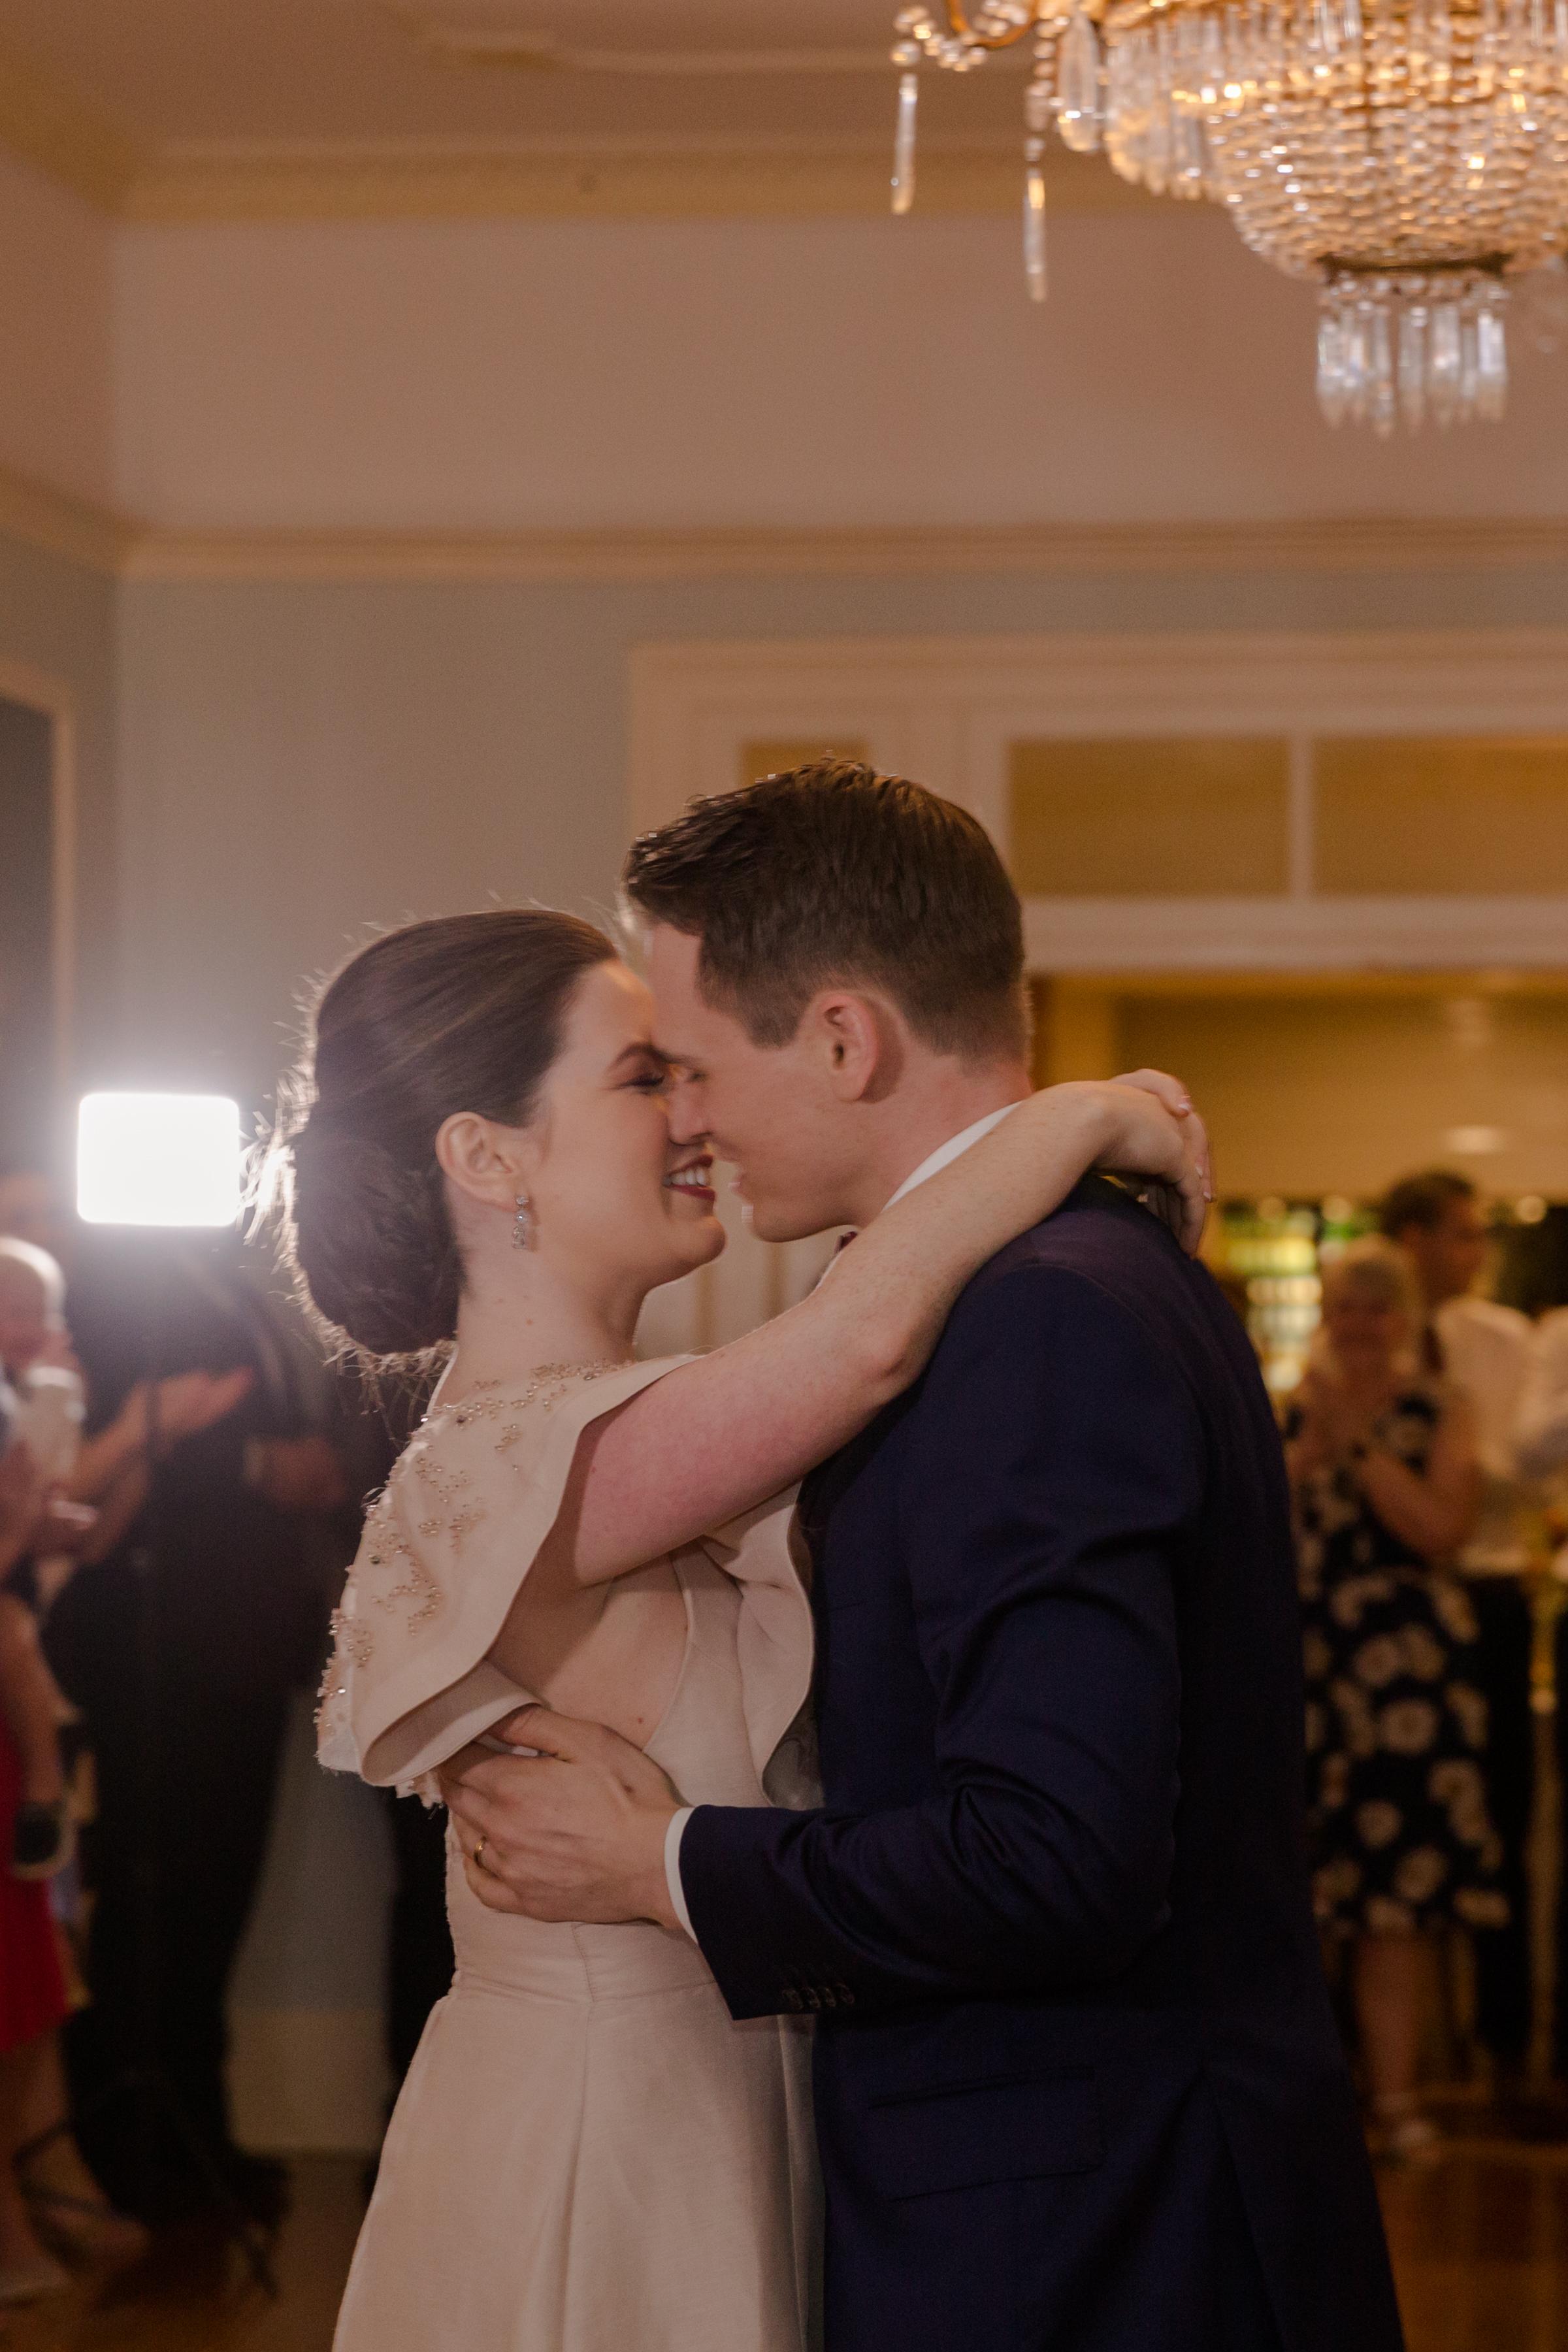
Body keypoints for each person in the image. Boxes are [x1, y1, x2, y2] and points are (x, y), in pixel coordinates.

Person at [440, 763, 1403, 2352]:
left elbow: (1053, 1856)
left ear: (844, 1040)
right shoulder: (1053, 1277)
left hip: (1086, 2235)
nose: (687, 1118)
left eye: (694, 1067)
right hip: (1054, 2194)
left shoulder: (1039, 1316)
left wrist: (662, 1861)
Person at [286, 898, 1210, 2352]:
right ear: (488, 1156)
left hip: (726, 2111)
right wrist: (1082, 1114)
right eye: (641, 1077)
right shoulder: (510, 1458)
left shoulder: (639, 1426)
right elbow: (865, 1340)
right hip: (604, 2150)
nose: (693, 1113)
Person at [44, 1234, 349, 2225]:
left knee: (216, 1891)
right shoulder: (109, 1280)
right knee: (160, 1890)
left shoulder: (234, 1280)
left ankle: (194, 2130)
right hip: (162, 1648)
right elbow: (114, 1454)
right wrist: (258, 1462)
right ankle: (139, 2140)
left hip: (242, 1649)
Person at [1286, 1238, 1503, 2161]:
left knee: (1398, 1900)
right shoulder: (1293, 1409)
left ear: (1404, 1318)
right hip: (1309, 1669)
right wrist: (1310, 1445)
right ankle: (1308, 2099)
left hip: (1409, 1678)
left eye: (1377, 1308)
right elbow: (1246, 1534)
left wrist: (1360, 1445)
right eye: (1346, 1306)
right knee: (1300, 1891)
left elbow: (1442, 1529)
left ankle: (1399, 2097)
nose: (1360, 1325)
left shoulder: (1441, 1407)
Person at [1380, 1169, 1537, 2070]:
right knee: (1402, 1819)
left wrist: (1458, 1468)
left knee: (1504, 1814)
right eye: (1463, 1233)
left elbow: (1523, 1466)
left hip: (1487, 1587)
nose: (1478, 1252)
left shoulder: (1504, 1339)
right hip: (1402, 1608)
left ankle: (1506, 2044)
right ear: (1416, 1240)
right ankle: (1401, 2053)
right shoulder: (1374, 1338)